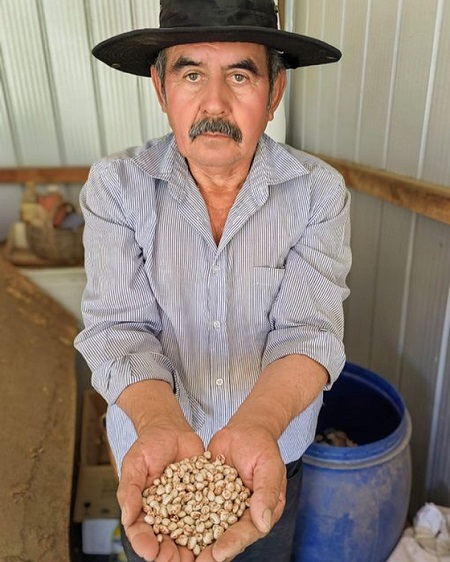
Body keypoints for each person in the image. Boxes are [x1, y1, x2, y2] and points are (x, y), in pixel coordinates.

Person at [74, 0, 352, 561]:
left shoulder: (319, 193)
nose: (215, 104)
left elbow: (310, 330)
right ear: (160, 89)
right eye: (191, 73)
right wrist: (158, 422)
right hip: (153, 464)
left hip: (271, 455)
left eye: (241, 75)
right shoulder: (116, 187)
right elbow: (117, 328)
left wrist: (259, 425)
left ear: (274, 93)